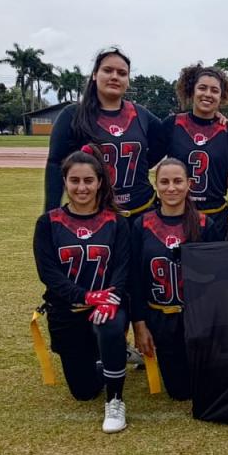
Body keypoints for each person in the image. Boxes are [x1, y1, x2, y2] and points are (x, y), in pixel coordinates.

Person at [32, 147, 132, 433]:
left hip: (106, 305)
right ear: (64, 181)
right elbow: (48, 273)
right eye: (74, 180)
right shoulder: (48, 223)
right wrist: (85, 296)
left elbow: (123, 267)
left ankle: (115, 400)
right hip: (68, 310)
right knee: (83, 391)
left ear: (99, 182)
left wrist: (110, 297)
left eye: (88, 180)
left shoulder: (116, 222)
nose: (82, 187)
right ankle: (111, 356)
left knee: (110, 326)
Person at [129, 158, 216, 401]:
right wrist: (140, 325)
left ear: (189, 184)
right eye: (164, 182)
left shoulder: (204, 224)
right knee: (179, 392)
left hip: (196, 320)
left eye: (178, 181)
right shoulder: (142, 225)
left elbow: (217, 279)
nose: (171, 188)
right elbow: (135, 279)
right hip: (161, 317)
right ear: (156, 185)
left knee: (203, 386)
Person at [44, 47, 162, 216]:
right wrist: (51, 213)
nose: (114, 76)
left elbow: (166, 139)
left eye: (122, 73)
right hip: (95, 215)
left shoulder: (141, 114)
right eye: (107, 70)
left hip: (142, 213)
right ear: (94, 75)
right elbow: (55, 164)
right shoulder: (73, 115)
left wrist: (140, 165)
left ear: (128, 80)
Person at [155, 64, 228, 241]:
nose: (208, 94)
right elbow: (149, 161)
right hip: (177, 214)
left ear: (221, 96)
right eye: (202, 88)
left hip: (215, 216)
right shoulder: (172, 124)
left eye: (214, 90)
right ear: (192, 90)